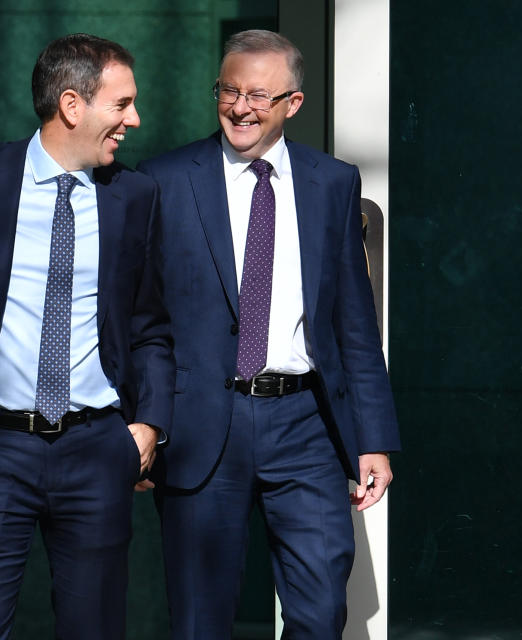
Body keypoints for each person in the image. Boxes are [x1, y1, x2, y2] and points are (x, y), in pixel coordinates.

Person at [0, 33, 173, 640]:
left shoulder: (135, 196)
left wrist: (148, 425)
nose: (134, 119)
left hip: (98, 449)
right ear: (73, 105)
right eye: (121, 104)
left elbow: (150, 325)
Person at [138, 29, 401, 639]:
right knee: (201, 618)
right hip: (202, 419)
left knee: (319, 609)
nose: (240, 107)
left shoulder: (332, 182)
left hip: (306, 423)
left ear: (294, 103)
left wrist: (374, 439)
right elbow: (140, 318)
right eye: (228, 90)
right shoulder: (164, 179)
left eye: (259, 94)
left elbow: (353, 323)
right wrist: (145, 421)